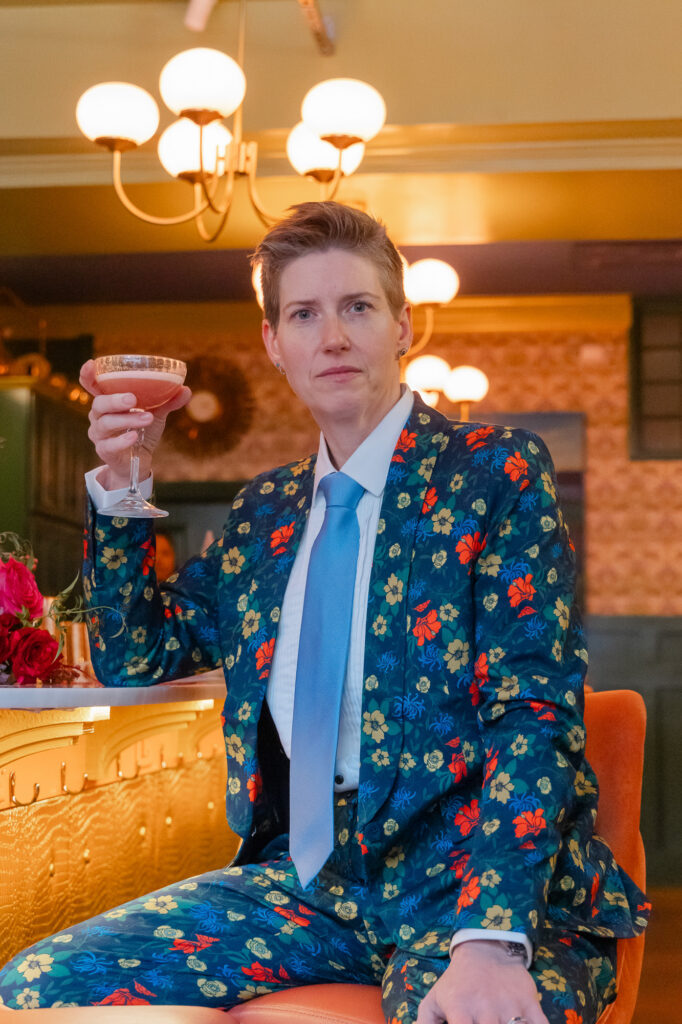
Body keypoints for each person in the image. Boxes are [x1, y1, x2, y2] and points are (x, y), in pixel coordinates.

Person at [0, 203, 648, 1022]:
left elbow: (533, 711)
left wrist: (490, 939)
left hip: (477, 888)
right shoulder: (262, 513)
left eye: (357, 307)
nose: (332, 336)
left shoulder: (495, 473)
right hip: (312, 886)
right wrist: (126, 482)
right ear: (276, 344)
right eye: (304, 314)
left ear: (402, 326)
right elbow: (140, 656)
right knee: (34, 986)